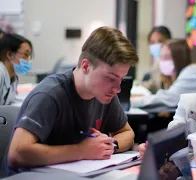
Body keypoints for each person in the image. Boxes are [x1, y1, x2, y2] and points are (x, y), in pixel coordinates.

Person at [3, 26, 139, 175]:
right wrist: (82, 150)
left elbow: (127, 133)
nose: (117, 89)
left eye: (120, 80)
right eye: (110, 78)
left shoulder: (104, 93)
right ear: (86, 66)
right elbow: (17, 153)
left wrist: (110, 145)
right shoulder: (50, 94)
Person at [131, 39, 196, 109]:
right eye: (161, 57)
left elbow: (167, 98)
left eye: (167, 57)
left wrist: (131, 102)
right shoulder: (177, 76)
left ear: (179, 58)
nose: (162, 62)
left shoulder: (191, 73)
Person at [0, 33, 33, 105]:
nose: (28, 60)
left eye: (29, 56)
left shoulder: (13, 77)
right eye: (25, 55)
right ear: (10, 55)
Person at [142, 26, 172, 93]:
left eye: (160, 41)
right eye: (152, 42)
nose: (156, 45)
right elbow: (156, 86)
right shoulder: (156, 64)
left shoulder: (172, 64)